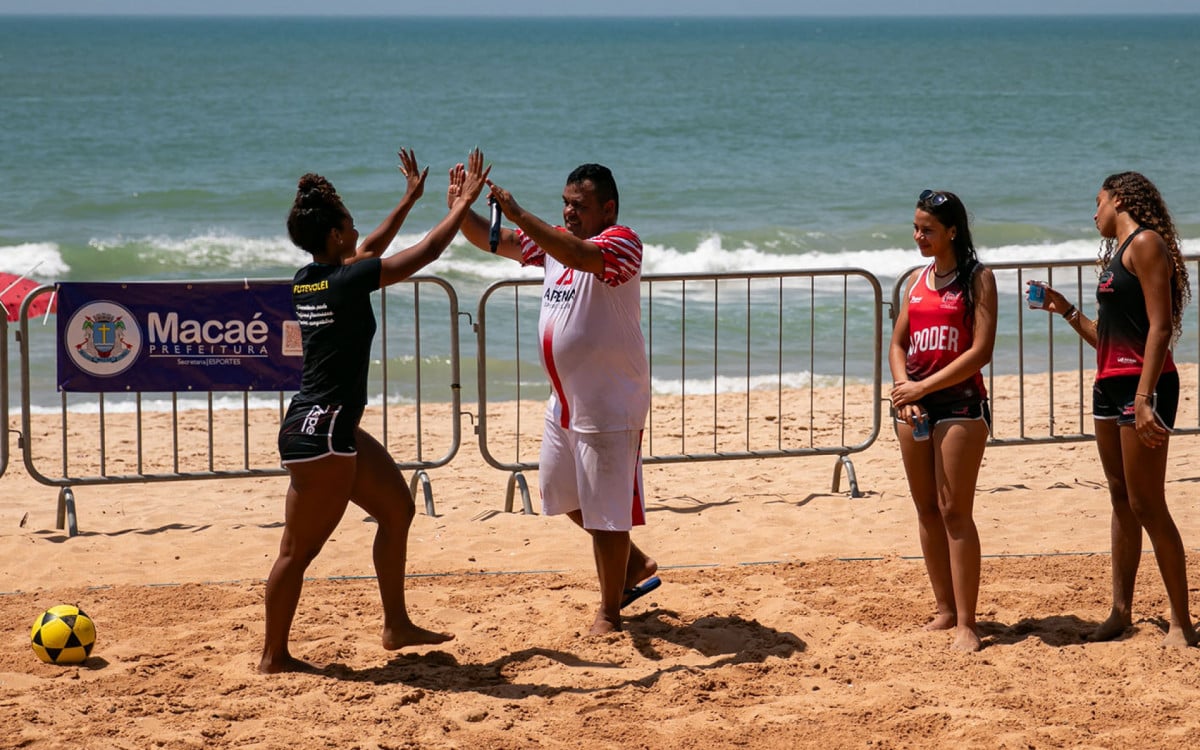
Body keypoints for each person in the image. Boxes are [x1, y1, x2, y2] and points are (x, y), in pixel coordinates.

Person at [260, 148, 489, 673]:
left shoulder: (309, 278)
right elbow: (428, 252)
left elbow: (368, 250)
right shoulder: (347, 279)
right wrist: (463, 205)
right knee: (296, 554)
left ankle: (395, 625)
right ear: (336, 235)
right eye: (348, 221)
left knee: (396, 511)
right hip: (325, 437)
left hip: (318, 427)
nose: (355, 225)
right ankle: (273, 658)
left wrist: (410, 199)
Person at [450, 161, 660, 635]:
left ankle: (609, 611)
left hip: (609, 400)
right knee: (560, 493)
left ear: (607, 209)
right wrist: (462, 210)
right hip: (564, 400)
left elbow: (580, 254)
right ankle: (633, 564)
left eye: (579, 206)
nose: (568, 212)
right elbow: (493, 240)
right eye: (564, 203)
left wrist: (520, 213)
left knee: (607, 513)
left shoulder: (622, 241)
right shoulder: (552, 246)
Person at [1031, 172, 1196, 647]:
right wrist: (1063, 309)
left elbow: (1161, 328)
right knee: (1120, 497)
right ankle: (1120, 612)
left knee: (1148, 502)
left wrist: (1144, 400)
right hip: (1109, 386)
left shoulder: (1146, 245)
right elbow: (1106, 337)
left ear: (1119, 199)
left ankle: (1181, 622)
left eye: (1097, 201)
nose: (1093, 211)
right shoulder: (1114, 258)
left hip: (1146, 388)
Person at [889, 190, 998, 652]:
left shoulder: (978, 278)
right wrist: (903, 392)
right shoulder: (915, 280)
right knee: (927, 509)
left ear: (952, 230)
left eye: (927, 229)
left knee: (955, 511)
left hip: (960, 407)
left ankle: (968, 623)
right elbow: (897, 344)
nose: (919, 236)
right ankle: (945, 609)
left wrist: (923, 388)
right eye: (915, 228)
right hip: (914, 408)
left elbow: (981, 352)